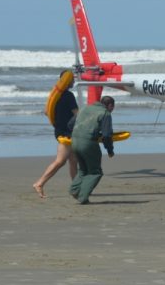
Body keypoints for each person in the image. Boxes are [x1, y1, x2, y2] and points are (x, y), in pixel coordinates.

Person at [33, 70, 78, 198]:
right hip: (67, 133)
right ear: (67, 80)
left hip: (59, 130)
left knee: (73, 160)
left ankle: (76, 188)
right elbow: (77, 114)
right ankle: (39, 183)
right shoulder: (69, 96)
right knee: (60, 161)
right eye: (72, 80)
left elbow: (47, 112)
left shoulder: (54, 95)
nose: (74, 82)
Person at [69, 95, 115, 204]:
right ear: (110, 105)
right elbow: (107, 136)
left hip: (74, 141)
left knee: (83, 169)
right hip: (88, 143)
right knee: (95, 172)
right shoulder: (105, 113)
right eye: (113, 107)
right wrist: (110, 150)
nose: (112, 110)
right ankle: (83, 197)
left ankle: (74, 190)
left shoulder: (85, 108)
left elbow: (70, 125)